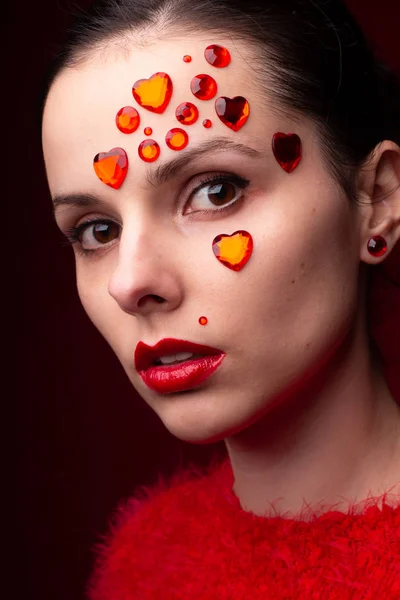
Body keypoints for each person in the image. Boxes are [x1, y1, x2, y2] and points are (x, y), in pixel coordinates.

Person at [41, 0, 400, 597]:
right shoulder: (144, 566)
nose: (130, 285)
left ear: (377, 199)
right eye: (97, 231)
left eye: (215, 191)